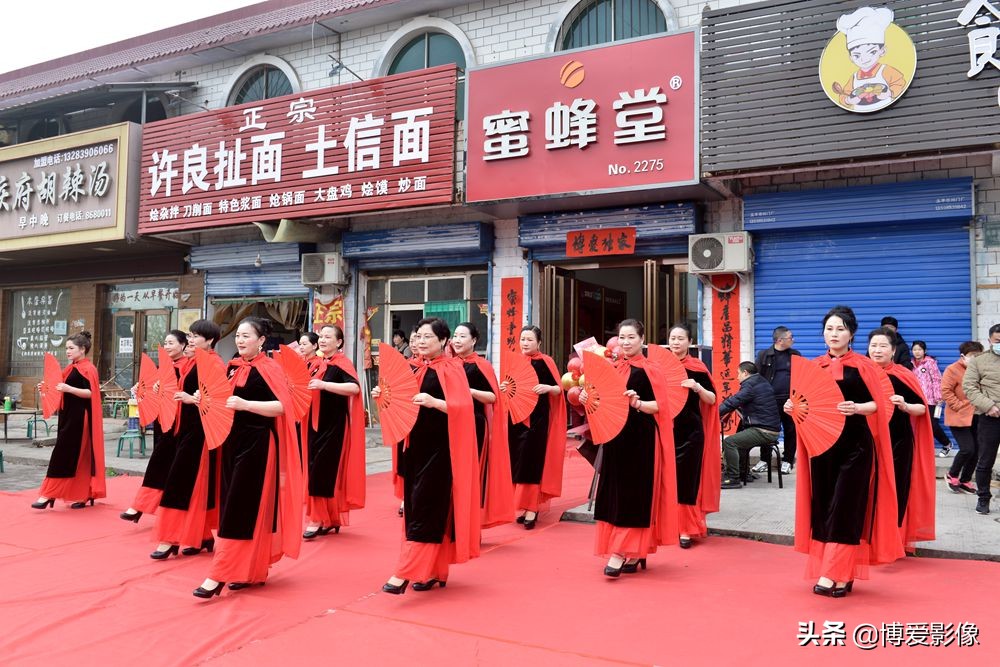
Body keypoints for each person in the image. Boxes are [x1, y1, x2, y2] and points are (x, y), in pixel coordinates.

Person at [788, 306, 903, 597]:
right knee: (824, 505)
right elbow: (804, 404)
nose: (834, 334)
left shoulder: (864, 367)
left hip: (856, 445)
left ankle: (834, 572)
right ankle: (841, 573)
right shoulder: (812, 366)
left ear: (851, 333)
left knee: (846, 507)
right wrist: (791, 407)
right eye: (829, 329)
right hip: (822, 446)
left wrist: (857, 408)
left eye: (840, 329)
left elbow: (878, 404)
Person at [193, 317, 302, 598]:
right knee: (234, 504)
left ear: (262, 340)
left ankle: (219, 573)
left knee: (242, 507)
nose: (240, 340)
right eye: (238, 336)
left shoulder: (270, 368)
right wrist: (199, 399)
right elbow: (221, 400)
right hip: (232, 442)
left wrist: (246, 405)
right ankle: (248, 570)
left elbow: (282, 407)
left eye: (246, 336)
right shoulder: (231, 366)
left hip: (259, 444)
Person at [373, 317, 480, 594]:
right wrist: (382, 396)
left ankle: (405, 571)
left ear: (443, 341)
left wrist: (435, 402)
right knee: (416, 507)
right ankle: (433, 570)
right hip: (414, 447)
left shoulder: (452, 368)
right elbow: (397, 402)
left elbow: (464, 409)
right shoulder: (411, 367)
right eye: (418, 336)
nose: (420, 342)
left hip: (440, 449)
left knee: (425, 507)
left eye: (427, 337)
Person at [581, 319, 678, 576]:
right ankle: (633, 550)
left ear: (642, 339)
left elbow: (660, 407)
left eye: (631, 337)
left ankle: (621, 551)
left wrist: (637, 403)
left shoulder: (651, 370)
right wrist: (586, 398)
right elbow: (602, 403)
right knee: (613, 492)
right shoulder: (612, 368)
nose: (625, 342)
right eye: (621, 337)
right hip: (615, 438)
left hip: (641, 439)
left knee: (634, 495)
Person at [150, 320, 224, 559]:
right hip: (186, 430)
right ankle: (201, 536)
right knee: (190, 484)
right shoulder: (193, 362)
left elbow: (220, 399)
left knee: (179, 482)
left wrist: (196, 400)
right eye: (190, 335)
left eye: (196, 336)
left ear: (210, 340)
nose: (190, 340)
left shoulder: (214, 363)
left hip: (201, 433)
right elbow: (181, 391)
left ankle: (170, 538)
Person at [867, 327, 935, 552]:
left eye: (883, 346)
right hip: (866, 441)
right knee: (868, 491)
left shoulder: (903, 375)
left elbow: (921, 409)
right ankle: (867, 539)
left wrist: (905, 406)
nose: (877, 351)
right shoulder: (860, 372)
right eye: (873, 346)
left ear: (893, 350)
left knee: (896, 490)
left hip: (898, 442)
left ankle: (891, 541)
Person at [302, 324, 365, 538]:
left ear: (339, 342)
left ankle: (317, 518)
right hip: (312, 424)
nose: (323, 340)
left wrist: (324, 386)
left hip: (333, 426)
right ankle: (330, 518)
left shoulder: (342, 364)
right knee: (313, 468)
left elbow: (354, 388)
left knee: (322, 471)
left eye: (328, 337)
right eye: (321, 336)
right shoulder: (316, 363)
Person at [120, 330, 189, 523]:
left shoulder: (186, 367)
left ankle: (142, 506)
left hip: (177, 421)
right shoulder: (165, 366)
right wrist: (140, 389)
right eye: (165, 343)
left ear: (183, 345)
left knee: (161, 463)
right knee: (162, 463)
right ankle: (147, 505)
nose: (167, 346)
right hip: (161, 419)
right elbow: (154, 388)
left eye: (171, 343)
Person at [451, 322, 514, 528]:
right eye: (455, 336)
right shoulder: (449, 364)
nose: (457, 340)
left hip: (473, 425)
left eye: (462, 336)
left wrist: (469, 392)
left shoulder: (481, 366)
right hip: (450, 423)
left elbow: (492, 397)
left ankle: (471, 523)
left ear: (474, 340)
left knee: (472, 474)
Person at [32, 332, 106, 510]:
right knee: (74, 456)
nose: (68, 351)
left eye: (71, 348)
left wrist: (68, 388)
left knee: (67, 454)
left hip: (81, 418)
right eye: (66, 348)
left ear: (83, 349)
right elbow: (59, 389)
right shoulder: (70, 368)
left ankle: (49, 494)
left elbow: (91, 394)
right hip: (68, 416)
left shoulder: (89, 369)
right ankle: (81, 494)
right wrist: (46, 388)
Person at [504, 325, 566, 529]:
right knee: (517, 462)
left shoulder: (545, 362)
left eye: (530, 339)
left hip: (538, 420)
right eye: (522, 339)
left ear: (539, 342)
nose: (525, 343)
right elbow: (509, 386)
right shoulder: (515, 362)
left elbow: (559, 389)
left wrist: (548, 387)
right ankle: (523, 505)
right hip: (515, 418)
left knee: (532, 462)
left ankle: (532, 508)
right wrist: (504, 387)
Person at [666, 323, 720, 548]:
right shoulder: (658, 366)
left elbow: (712, 400)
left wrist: (697, 386)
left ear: (690, 342)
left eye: (680, 338)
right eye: (672, 338)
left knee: (687, 481)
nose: (676, 342)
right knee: (666, 481)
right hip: (664, 430)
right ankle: (666, 526)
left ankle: (686, 530)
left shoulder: (697, 368)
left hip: (690, 433)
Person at [718, 361, 781, 489]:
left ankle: (732, 478)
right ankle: (743, 473)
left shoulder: (750, 385)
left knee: (730, 442)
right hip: (769, 428)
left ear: (745, 373)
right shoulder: (762, 382)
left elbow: (733, 402)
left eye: (738, 374)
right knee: (739, 436)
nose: (737, 377)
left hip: (764, 431)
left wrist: (714, 413)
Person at [962, 323, 1000, 516]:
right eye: (998, 341)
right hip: (989, 418)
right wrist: (988, 406)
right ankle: (983, 497)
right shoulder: (979, 361)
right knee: (985, 460)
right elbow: (969, 387)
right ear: (990, 341)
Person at [755, 326, 800, 474]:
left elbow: (802, 377)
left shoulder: (795, 355)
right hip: (769, 401)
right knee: (766, 430)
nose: (793, 340)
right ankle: (764, 460)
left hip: (789, 401)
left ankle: (787, 460)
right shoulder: (764, 355)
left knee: (790, 430)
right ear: (780, 340)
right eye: (790, 338)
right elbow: (756, 378)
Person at [942, 341, 984, 494]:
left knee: (977, 450)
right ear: (963, 356)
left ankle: (965, 480)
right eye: (973, 356)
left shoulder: (981, 369)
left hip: (977, 415)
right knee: (967, 449)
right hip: (958, 416)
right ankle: (952, 475)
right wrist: (959, 406)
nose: (976, 358)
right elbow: (946, 391)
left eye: (979, 356)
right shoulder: (952, 369)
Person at [911, 340, 955, 456]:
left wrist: (938, 397)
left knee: (932, 425)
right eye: (915, 349)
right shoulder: (912, 364)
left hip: (931, 400)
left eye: (919, 349)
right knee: (920, 426)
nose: (917, 352)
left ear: (924, 351)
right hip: (917, 401)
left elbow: (936, 380)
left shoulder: (930, 363)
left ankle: (947, 444)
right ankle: (923, 450)